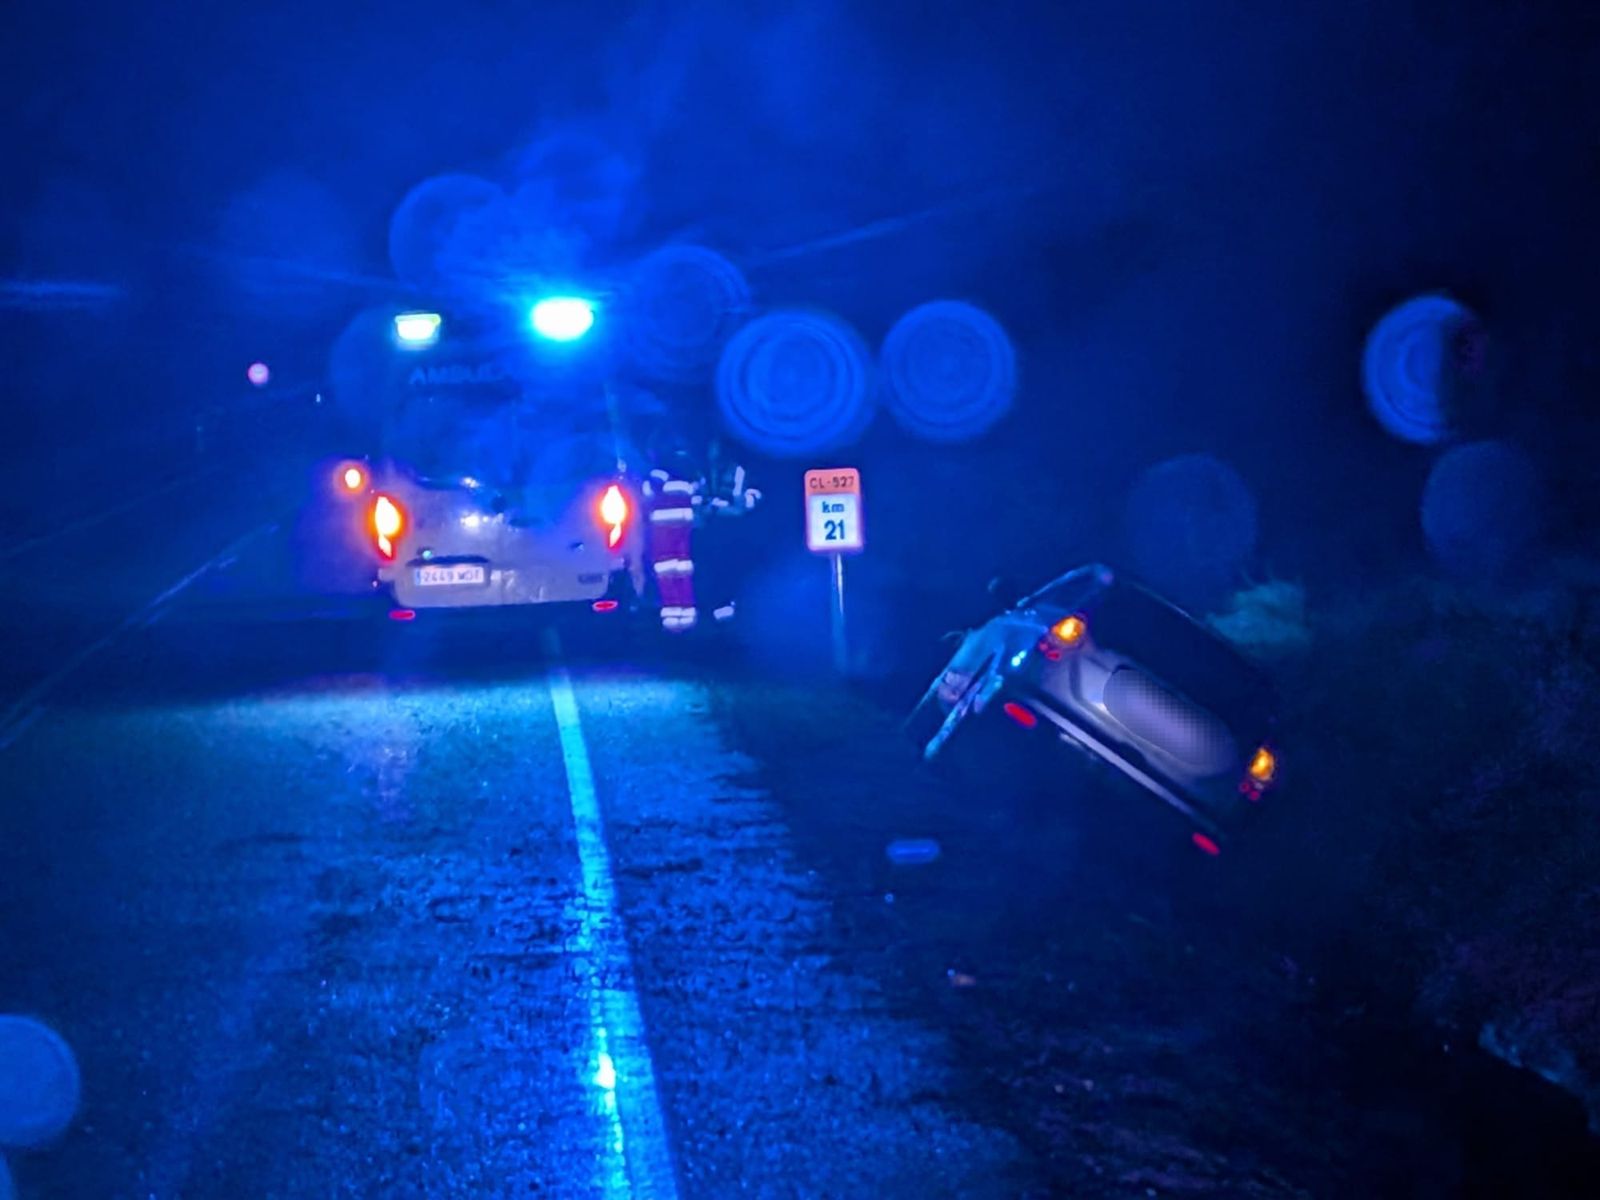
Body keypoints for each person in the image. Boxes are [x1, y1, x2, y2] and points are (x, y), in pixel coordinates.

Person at [640, 434, 704, 633]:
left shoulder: (658, 474)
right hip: (685, 531)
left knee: (666, 575)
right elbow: (698, 496)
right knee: (684, 576)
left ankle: (673, 624)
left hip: (664, 532)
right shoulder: (690, 468)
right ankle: (689, 621)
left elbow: (647, 494)